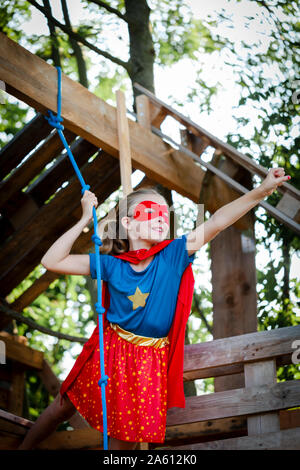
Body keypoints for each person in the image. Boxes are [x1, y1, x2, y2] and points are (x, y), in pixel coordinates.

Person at [18, 168, 290, 450]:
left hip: (148, 360)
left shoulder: (174, 254)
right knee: (62, 407)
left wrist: (262, 190)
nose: (161, 217)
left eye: (164, 213)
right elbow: (51, 261)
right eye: (150, 211)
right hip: (110, 350)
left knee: (125, 442)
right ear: (128, 224)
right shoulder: (112, 264)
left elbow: (217, 222)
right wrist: (86, 217)